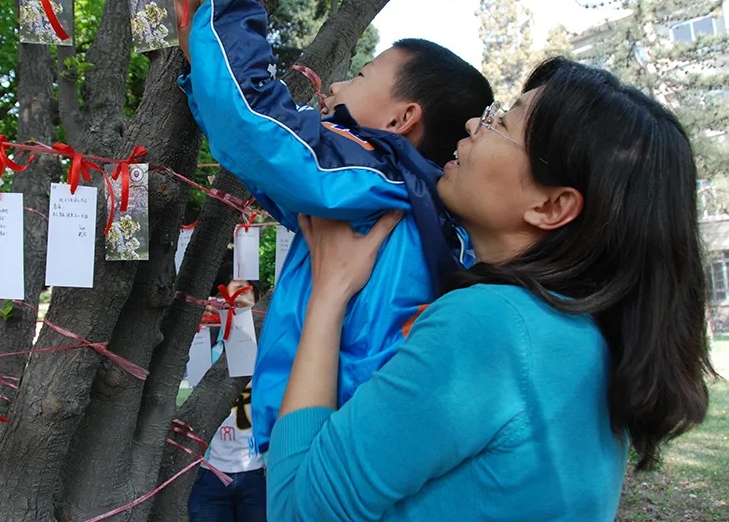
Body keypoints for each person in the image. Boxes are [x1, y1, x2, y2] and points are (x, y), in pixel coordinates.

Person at [267, 58, 715, 520]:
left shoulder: (492, 326)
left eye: (501, 122)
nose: (472, 124)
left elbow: (298, 511)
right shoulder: (581, 336)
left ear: (551, 206)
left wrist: (329, 294)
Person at [174, 0, 493, 452]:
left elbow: (262, 130)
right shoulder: (379, 194)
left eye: (361, 74)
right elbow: (257, 157)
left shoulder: (382, 176)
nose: (338, 86)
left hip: (333, 433)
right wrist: (200, 50)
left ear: (402, 118)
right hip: (332, 428)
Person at [188, 266, 266, 522]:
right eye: (230, 301)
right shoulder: (203, 347)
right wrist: (195, 326)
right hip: (207, 471)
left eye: (243, 301)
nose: (236, 308)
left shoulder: (268, 352)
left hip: (257, 471)